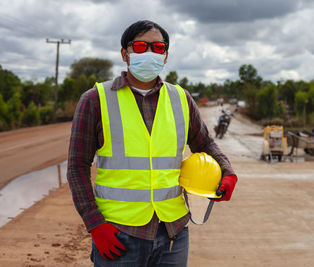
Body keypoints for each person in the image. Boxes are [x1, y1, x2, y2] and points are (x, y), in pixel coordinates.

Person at [67, 20, 237, 267]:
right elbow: (76, 167)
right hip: (119, 234)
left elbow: (206, 144)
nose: (149, 53)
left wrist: (228, 172)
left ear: (166, 55)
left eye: (157, 47)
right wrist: (95, 224)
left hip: (173, 233)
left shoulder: (181, 98)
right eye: (140, 46)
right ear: (125, 53)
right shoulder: (95, 100)